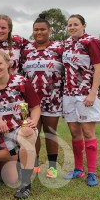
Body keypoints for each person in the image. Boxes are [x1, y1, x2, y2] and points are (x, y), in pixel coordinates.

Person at [0, 50, 41, 200]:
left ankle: (26, 185)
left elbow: (35, 107)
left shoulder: (21, 82)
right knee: (11, 180)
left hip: (20, 128)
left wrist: (33, 121)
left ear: (8, 63)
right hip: (1, 136)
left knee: (27, 134)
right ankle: (8, 165)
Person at [62, 14, 100, 187]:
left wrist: (92, 93)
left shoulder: (91, 41)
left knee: (88, 133)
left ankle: (92, 172)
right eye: (69, 25)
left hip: (85, 94)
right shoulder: (66, 43)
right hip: (68, 94)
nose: (72, 27)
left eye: (75, 24)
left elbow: (99, 68)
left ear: (84, 25)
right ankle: (78, 170)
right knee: (74, 133)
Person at [21, 13, 64, 178]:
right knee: (33, 133)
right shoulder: (27, 50)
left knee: (50, 132)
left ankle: (52, 166)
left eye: (43, 29)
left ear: (49, 31)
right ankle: (35, 164)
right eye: (36, 29)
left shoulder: (58, 48)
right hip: (32, 101)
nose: (39, 32)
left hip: (52, 99)